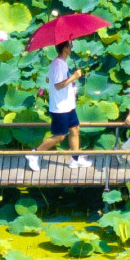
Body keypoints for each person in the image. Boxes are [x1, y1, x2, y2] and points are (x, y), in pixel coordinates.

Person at [29, 39, 87, 171]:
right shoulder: (58, 64)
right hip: (60, 107)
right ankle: (34, 154)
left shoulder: (61, 63)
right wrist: (73, 77)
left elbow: (48, 78)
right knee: (60, 137)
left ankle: (75, 159)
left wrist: (70, 79)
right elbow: (58, 85)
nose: (72, 47)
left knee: (75, 130)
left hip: (68, 105)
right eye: (70, 45)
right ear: (65, 48)